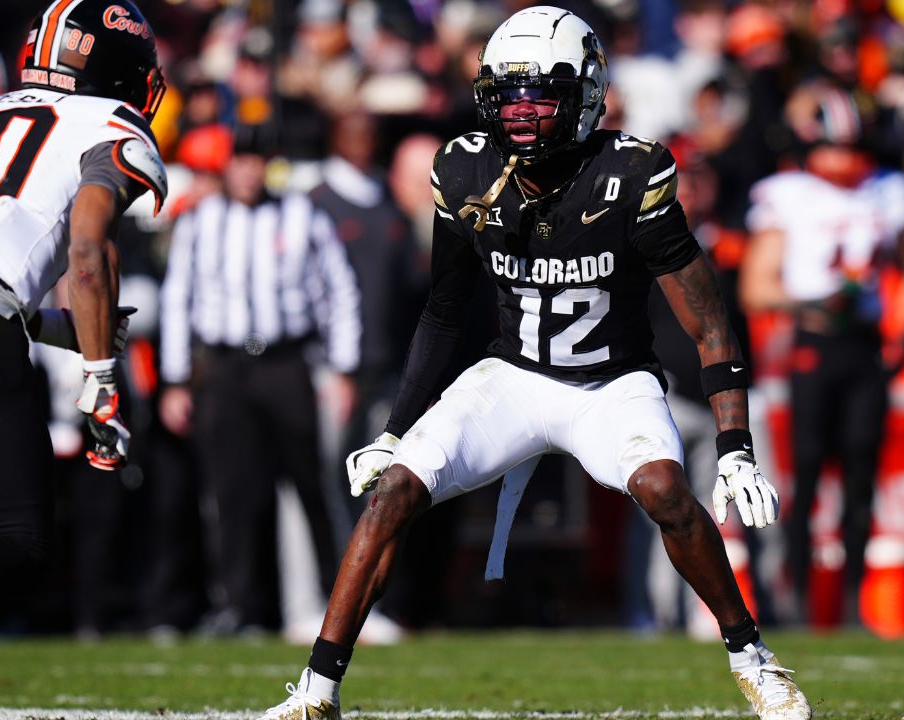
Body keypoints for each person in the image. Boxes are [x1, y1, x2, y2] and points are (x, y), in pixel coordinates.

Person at [259, 7, 810, 720]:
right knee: (392, 491)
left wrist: (735, 446)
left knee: (667, 491)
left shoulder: (629, 173)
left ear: (585, 96)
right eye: (507, 95)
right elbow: (444, 310)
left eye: (541, 95)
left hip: (612, 382)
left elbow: (708, 320)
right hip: (514, 377)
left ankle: (753, 658)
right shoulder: (466, 169)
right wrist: (396, 429)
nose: (520, 112)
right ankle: (316, 693)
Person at [0, 0, 166, 605]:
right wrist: (101, 381)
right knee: (17, 539)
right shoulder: (108, 120)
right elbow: (87, 249)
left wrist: (46, 324)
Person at [159, 124, 361, 634]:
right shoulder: (200, 221)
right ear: (226, 166)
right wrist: (176, 380)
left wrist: (342, 367)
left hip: (285, 362)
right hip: (224, 367)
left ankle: (338, 601)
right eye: (240, 160)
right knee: (232, 489)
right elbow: (178, 298)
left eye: (257, 161)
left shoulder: (302, 216)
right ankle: (239, 607)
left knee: (311, 484)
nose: (248, 171)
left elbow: (340, 289)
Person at [741, 86, 904, 626]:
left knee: (862, 475)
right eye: (834, 147)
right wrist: (812, 301)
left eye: (851, 148)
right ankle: (798, 601)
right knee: (809, 472)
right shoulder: (788, 195)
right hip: (814, 342)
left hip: (863, 346)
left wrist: (901, 332)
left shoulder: (885, 191)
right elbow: (756, 287)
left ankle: (854, 602)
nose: (844, 160)